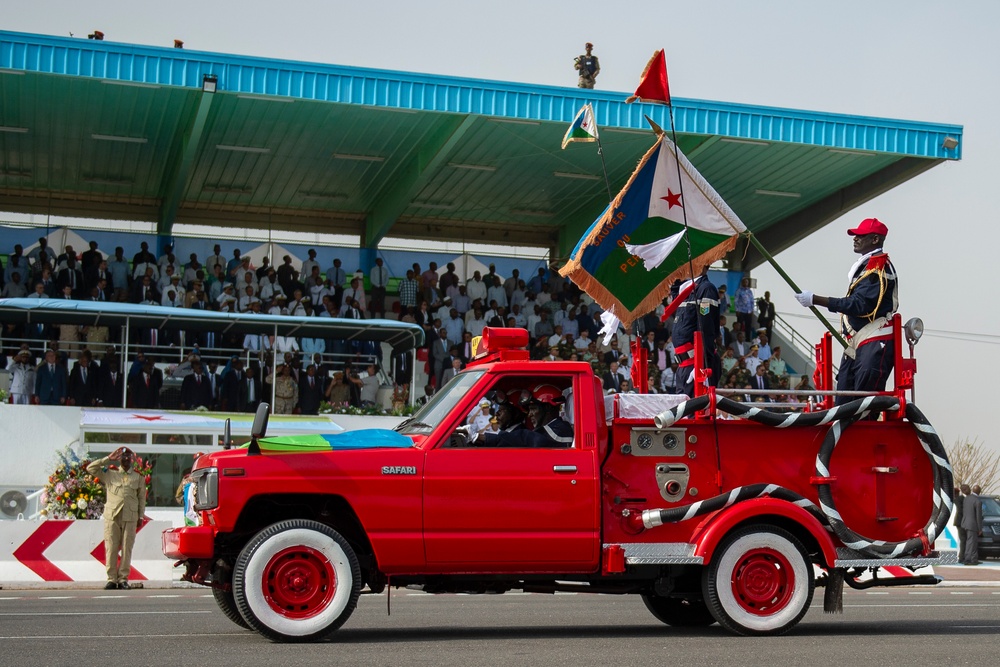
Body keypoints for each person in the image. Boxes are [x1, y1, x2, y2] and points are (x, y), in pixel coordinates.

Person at [795, 218, 898, 404]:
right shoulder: (867, 266)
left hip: (873, 340)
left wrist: (816, 300)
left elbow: (859, 305)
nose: (855, 239)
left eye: (861, 235)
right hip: (857, 342)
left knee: (863, 402)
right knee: (843, 398)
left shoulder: (878, 268)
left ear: (875, 239)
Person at [86, 447, 147, 590]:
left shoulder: (138, 477)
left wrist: (140, 516)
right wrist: (108, 458)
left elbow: (141, 499)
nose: (125, 459)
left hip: (130, 517)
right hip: (112, 516)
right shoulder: (110, 474)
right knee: (111, 547)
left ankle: (123, 578)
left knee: (127, 548)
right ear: (119, 459)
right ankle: (112, 578)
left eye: (128, 456)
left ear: (132, 459)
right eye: (123, 456)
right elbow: (91, 468)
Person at [672, 266, 722, 396]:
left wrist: (703, 364)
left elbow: (706, 327)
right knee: (683, 414)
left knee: (697, 413)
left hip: (696, 363)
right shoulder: (685, 289)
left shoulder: (706, 288)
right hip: (683, 365)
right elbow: (672, 289)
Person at [480, 384, 573, 448]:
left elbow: (530, 439)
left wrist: (486, 438)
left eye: (533, 409)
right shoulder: (551, 429)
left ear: (548, 407)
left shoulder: (561, 430)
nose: (529, 414)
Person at [960, 483, 983, 565]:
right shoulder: (978, 501)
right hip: (972, 525)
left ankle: (972, 558)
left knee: (969, 541)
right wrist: (980, 528)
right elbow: (978, 516)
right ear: (979, 492)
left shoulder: (966, 499)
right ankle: (970, 559)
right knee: (972, 542)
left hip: (965, 523)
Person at [954, 485, 966, 564]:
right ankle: (961, 557)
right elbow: (961, 511)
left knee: (961, 540)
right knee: (963, 540)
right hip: (961, 522)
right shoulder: (960, 500)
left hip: (959, 522)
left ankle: (961, 556)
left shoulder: (956, 500)